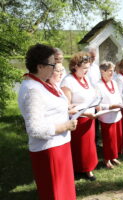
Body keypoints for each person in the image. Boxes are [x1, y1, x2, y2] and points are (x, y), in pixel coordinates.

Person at [18, 43, 77, 199]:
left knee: (64, 192)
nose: (56, 67)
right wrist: (65, 125)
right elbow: (35, 129)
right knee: (55, 193)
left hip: (59, 145)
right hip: (49, 150)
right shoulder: (33, 90)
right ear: (40, 66)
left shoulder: (44, 82)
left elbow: (50, 109)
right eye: (52, 64)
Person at [61, 52, 98, 181]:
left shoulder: (85, 78)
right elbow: (67, 107)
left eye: (88, 68)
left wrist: (97, 104)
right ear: (75, 66)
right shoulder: (68, 81)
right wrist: (85, 112)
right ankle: (77, 169)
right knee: (79, 147)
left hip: (90, 118)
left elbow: (92, 95)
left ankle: (88, 169)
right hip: (78, 120)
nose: (87, 71)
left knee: (89, 146)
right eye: (84, 68)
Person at [95, 61, 123, 169]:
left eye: (113, 70)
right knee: (108, 139)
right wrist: (110, 107)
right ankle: (107, 160)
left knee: (115, 138)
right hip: (106, 116)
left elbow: (118, 96)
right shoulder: (98, 85)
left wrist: (120, 105)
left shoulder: (114, 82)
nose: (113, 73)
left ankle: (113, 157)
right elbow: (97, 104)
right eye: (110, 71)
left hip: (117, 114)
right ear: (103, 71)